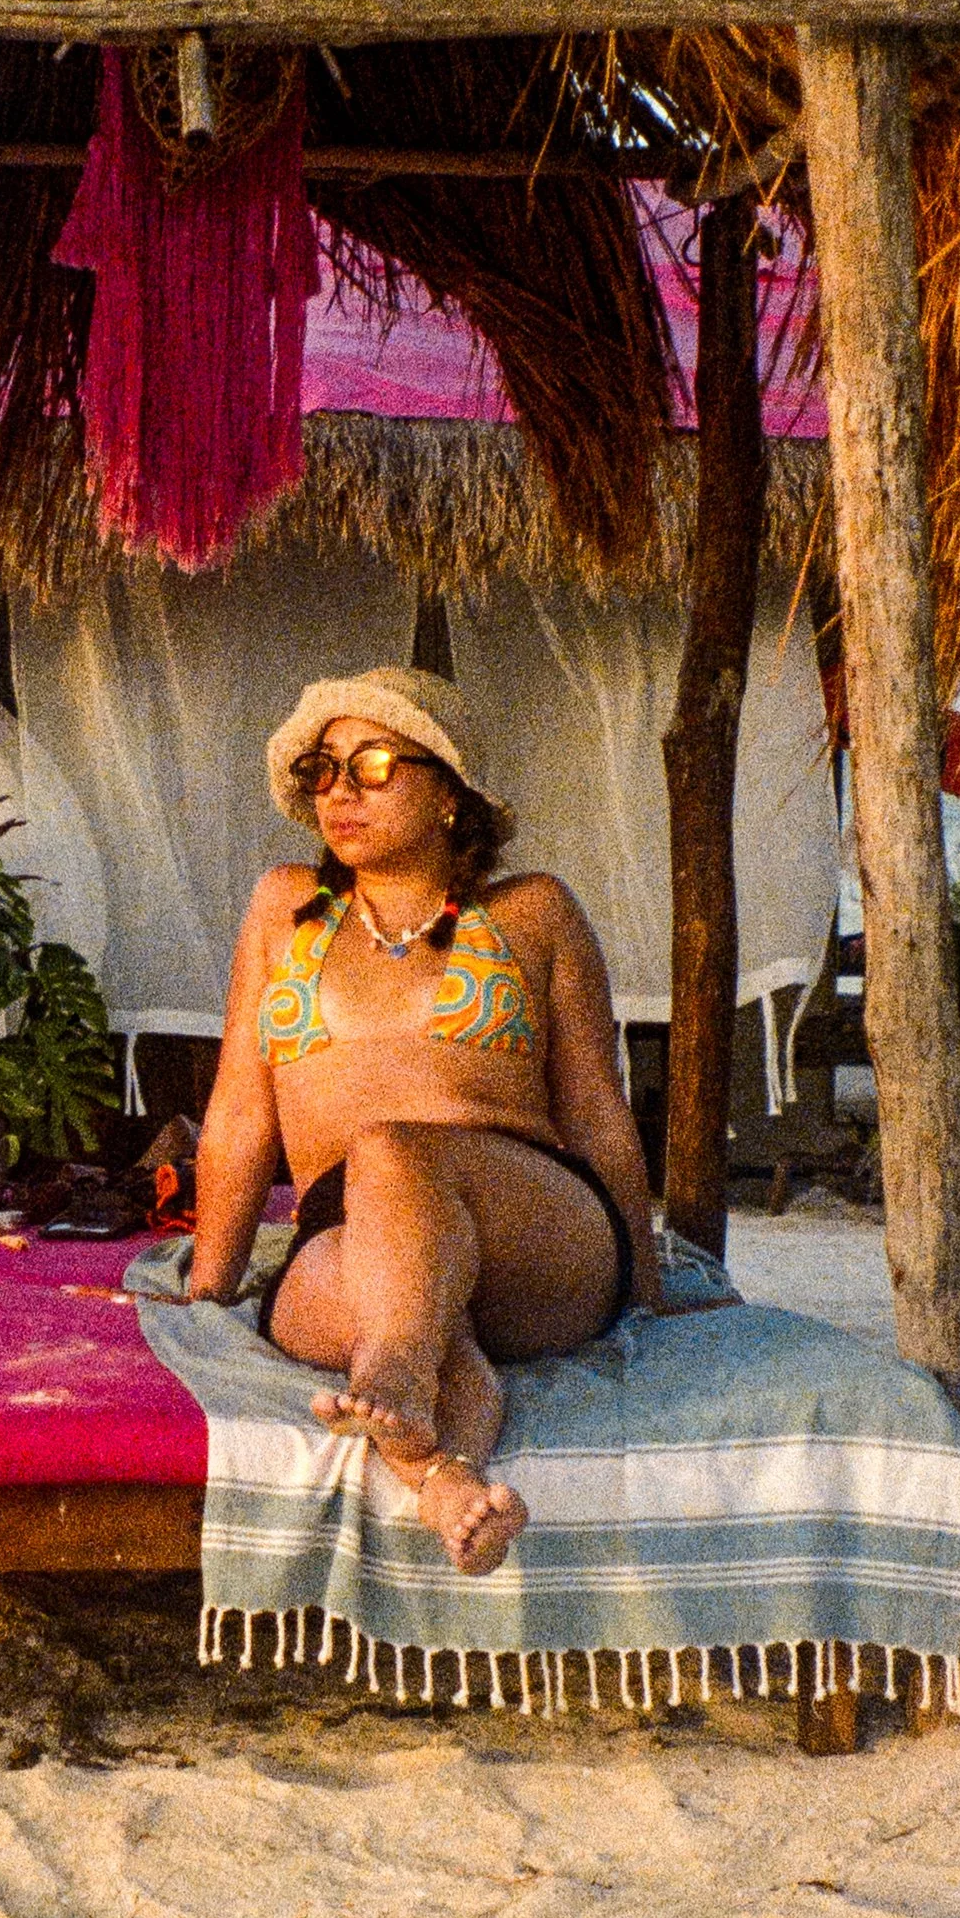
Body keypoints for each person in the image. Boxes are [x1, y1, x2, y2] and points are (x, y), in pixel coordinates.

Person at [185, 668, 661, 1576]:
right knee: (392, 1282)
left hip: (529, 1223)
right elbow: (242, 1109)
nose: (340, 791)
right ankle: (445, 1474)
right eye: (323, 771)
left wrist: (645, 1289)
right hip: (356, 1227)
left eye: (371, 763)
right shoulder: (282, 911)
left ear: (449, 790)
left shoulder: (534, 912)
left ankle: (394, 1373)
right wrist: (210, 1287)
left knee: (392, 1148)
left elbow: (599, 1115)